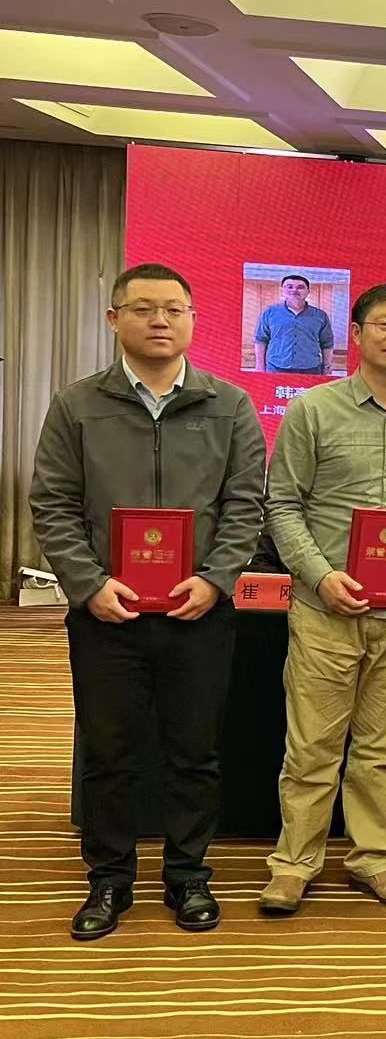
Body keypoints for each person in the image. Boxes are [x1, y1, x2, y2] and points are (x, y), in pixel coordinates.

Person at [30, 263, 266, 940]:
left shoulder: (230, 404)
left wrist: (216, 578)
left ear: (192, 319)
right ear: (115, 320)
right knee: (109, 752)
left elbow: (245, 504)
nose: (159, 320)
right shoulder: (78, 404)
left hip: (200, 611)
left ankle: (188, 877)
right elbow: (53, 503)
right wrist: (88, 584)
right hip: (108, 613)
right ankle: (109, 880)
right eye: (142, 308)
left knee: (195, 752)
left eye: (173, 309)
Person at [259, 281, 386, 916]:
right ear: (356, 333)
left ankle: (373, 858)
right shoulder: (312, 410)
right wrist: (321, 577)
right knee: (312, 746)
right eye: (385, 324)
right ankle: (294, 864)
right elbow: (282, 506)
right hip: (326, 610)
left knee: (381, 749)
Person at [254, 273, 334, 375]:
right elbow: (261, 340)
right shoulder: (270, 313)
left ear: (308, 291)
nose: (294, 290)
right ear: (282, 290)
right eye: (289, 287)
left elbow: (327, 343)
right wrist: (259, 366)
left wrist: (327, 366)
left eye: (300, 287)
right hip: (276, 367)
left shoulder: (320, 316)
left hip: (311, 368)